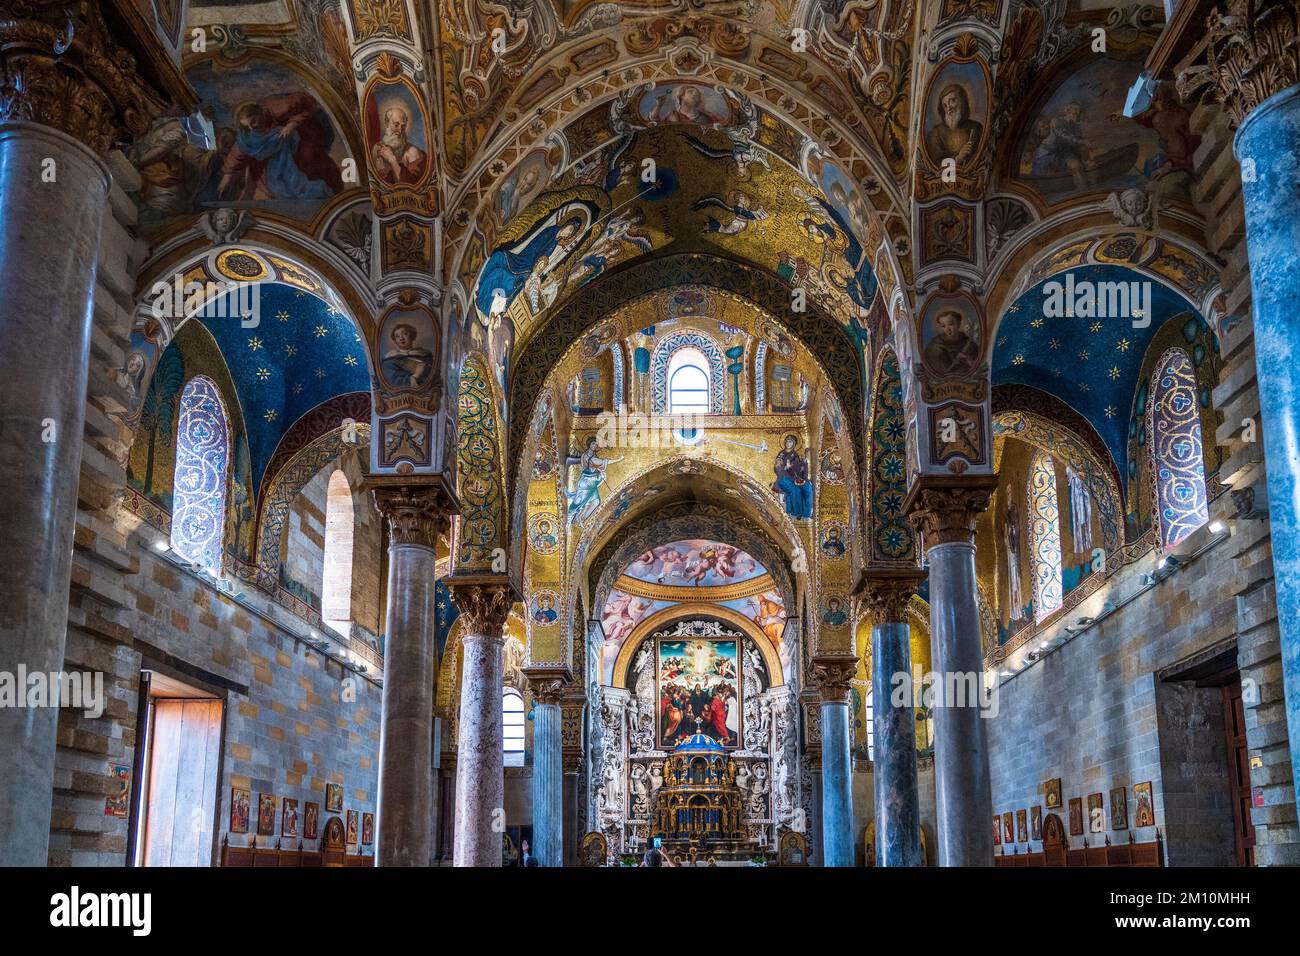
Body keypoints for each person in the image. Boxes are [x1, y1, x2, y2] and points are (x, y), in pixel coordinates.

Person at [926, 83, 983, 165]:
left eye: (952, 100)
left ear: (962, 102)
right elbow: (935, 164)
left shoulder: (976, 128)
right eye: (945, 105)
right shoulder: (935, 133)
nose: (949, 108)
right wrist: (957, 159)